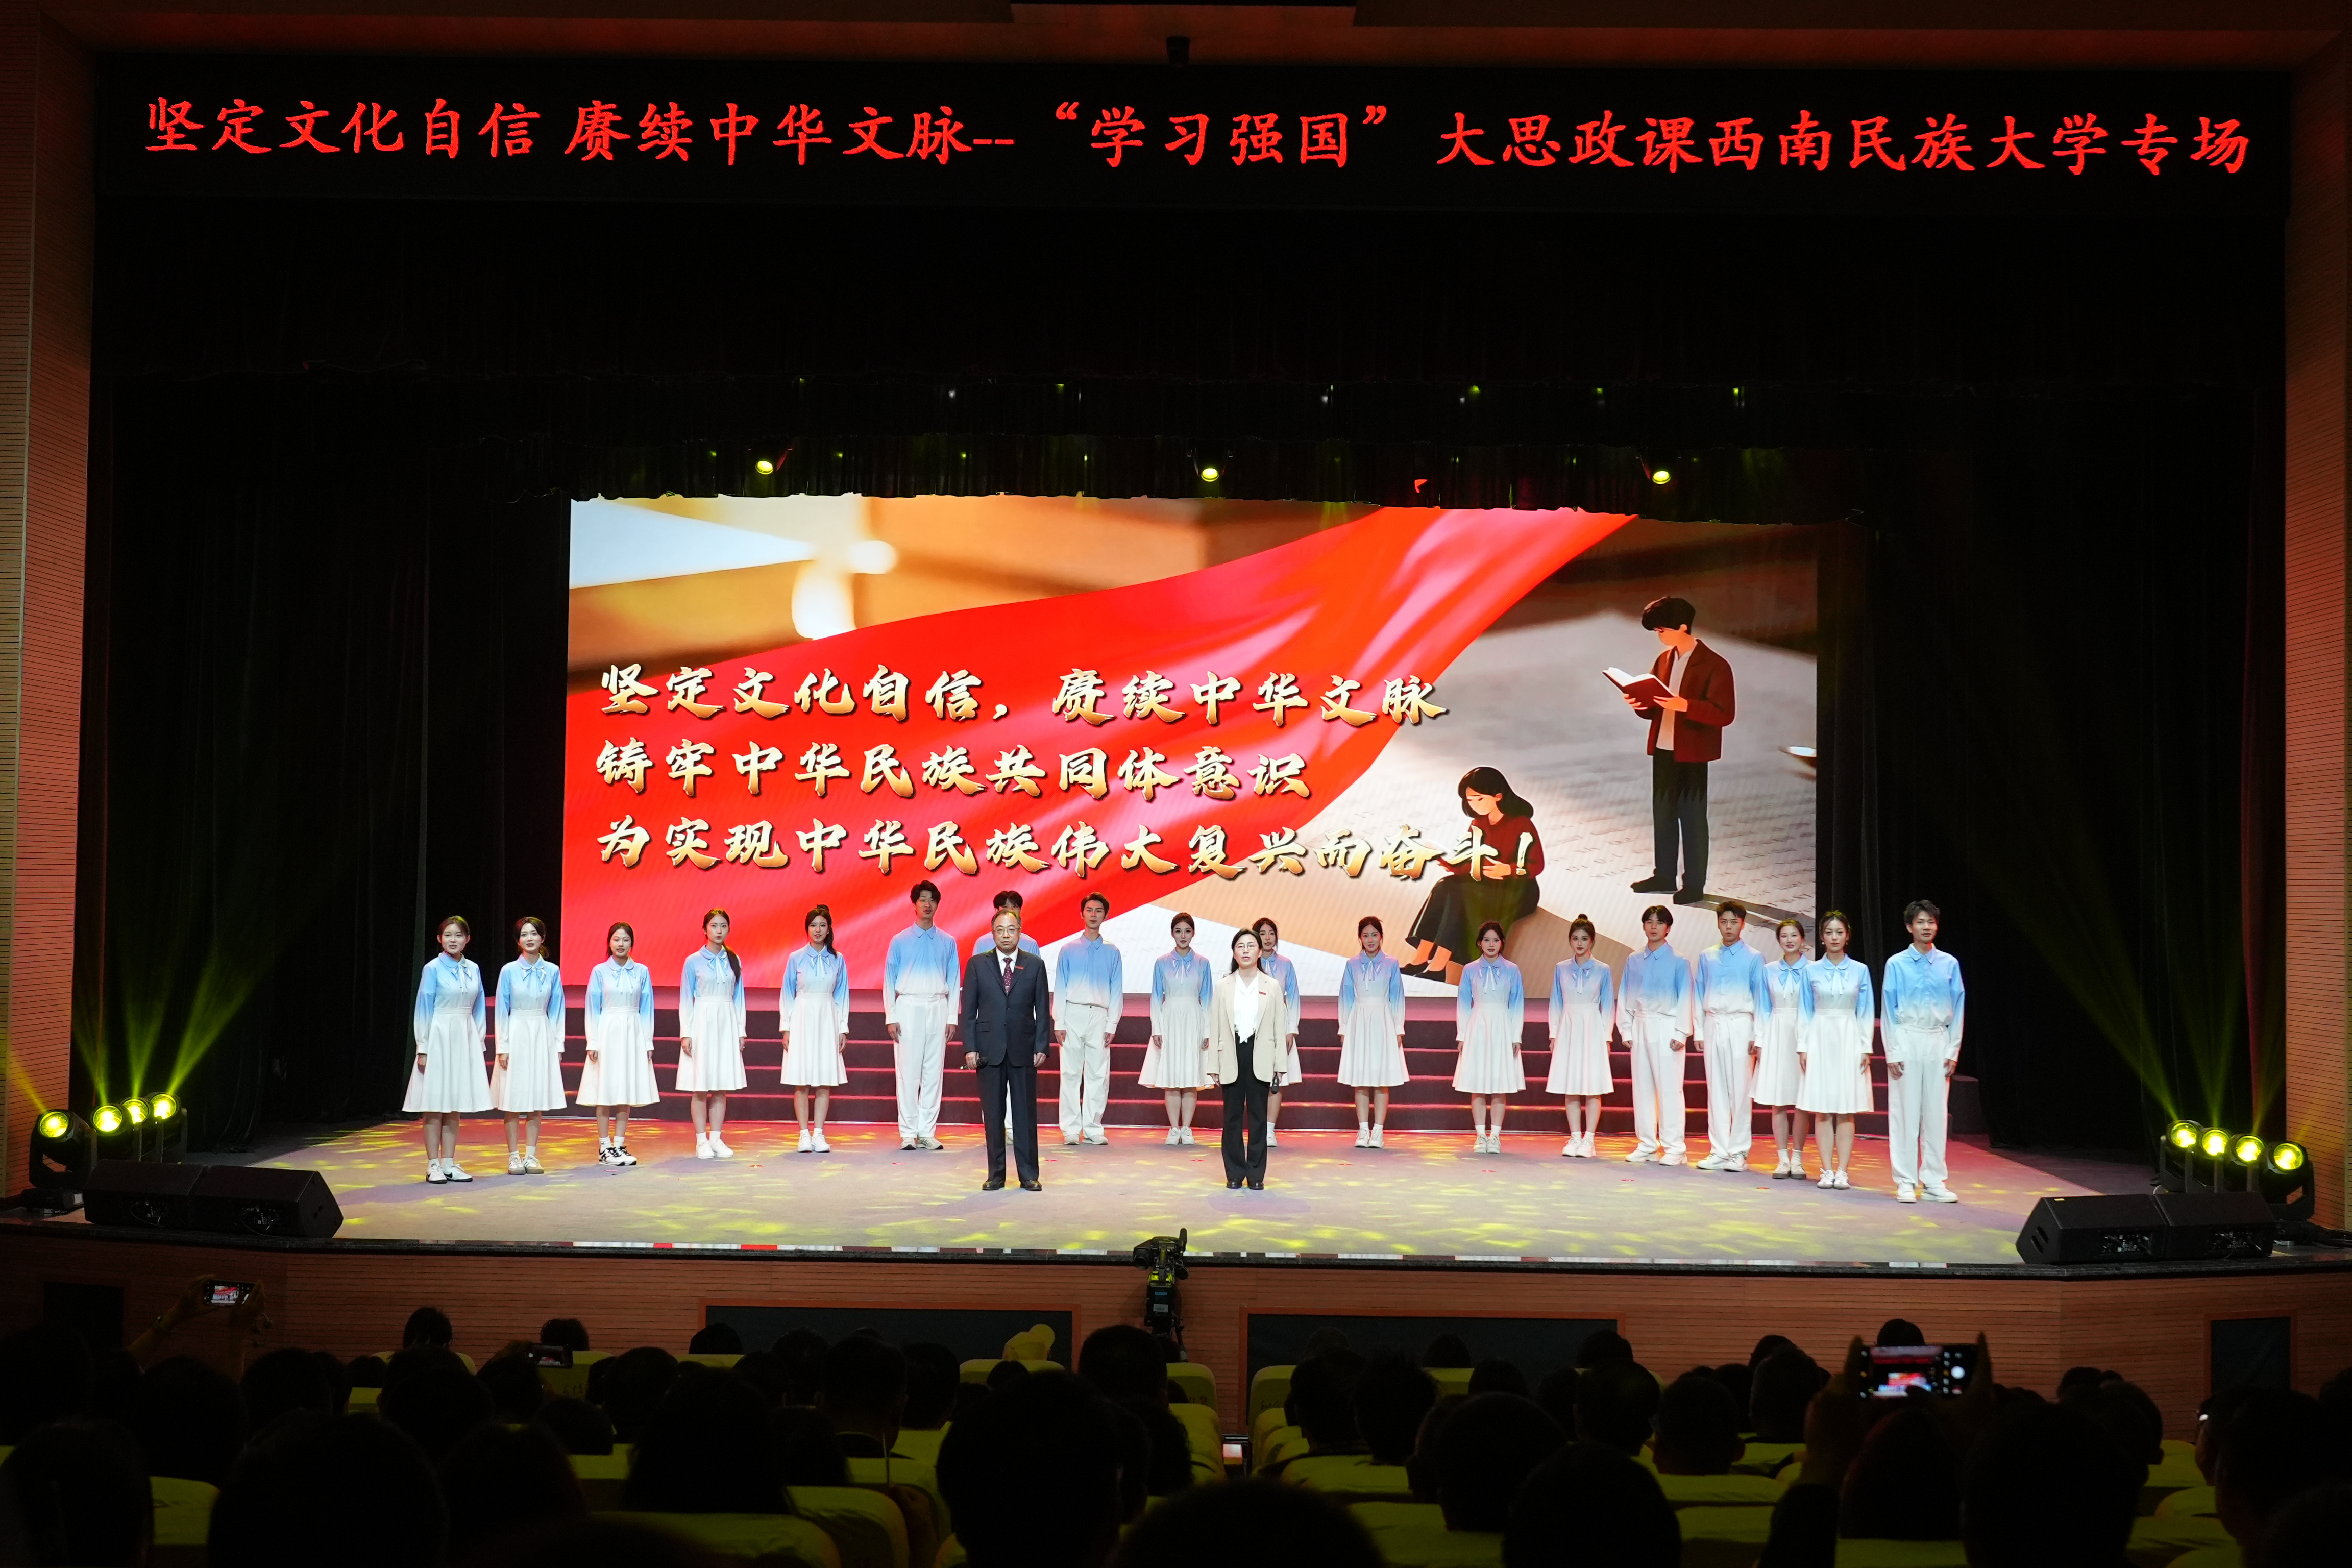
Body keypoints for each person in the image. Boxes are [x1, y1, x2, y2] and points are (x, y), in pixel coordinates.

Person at [1622, 593, 1736, 904]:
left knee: (1693, 817)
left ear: (1683, 627)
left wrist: (1685, 705)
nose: (1660, 636)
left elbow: (1724, 713)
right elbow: (1655, 707)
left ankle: (1694, 883)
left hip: (1692, 754)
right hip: (1663, 749)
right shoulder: (1664, 660)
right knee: (1663, 814)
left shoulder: (1714, 664)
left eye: (1662, 630)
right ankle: (1664, 875)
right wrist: (1639, 703)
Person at [1403, 766, 1547, 983]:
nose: (1474, 805)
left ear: (1498, 796)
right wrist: (1452, 863)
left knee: (1461, 892)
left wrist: (1508, 869)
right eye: (1470, 800)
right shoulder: (1478, 823)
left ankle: (1439, 965)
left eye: (1479, 799)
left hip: (1517, 889)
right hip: (1485, 882)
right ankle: (1422, 958)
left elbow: (1537, 865)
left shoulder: (1521, 824)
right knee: (1445, 885)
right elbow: (1472, 859)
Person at [960, 905, 1053, 1191]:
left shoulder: (1035, 965)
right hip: (989, 1050)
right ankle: (996, 1174)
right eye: (1000, 930)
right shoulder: (977, 964)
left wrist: (1042, 1045)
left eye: (1011, 930)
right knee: (993, 1115)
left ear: (1020, 933)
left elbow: (1042, 1009)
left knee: (1025, 1114)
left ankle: (1029, 1175)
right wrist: (970, 1047)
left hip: (1024, 1048)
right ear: (992, 934)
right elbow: (969, 1011)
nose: (1005, 935)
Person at [1881, 899, 1966, 1204]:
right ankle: (1905, 1180)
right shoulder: (1896, 964)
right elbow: (1888, 1009)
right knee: (1904, 1113)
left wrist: (1953, 1050)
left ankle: (1934, 1181)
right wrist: (1893, 1051)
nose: (1926, 927)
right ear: (1910, 927)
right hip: (1907, 1037)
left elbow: (1959, 1007)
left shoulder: (1949, 963)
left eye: (1931, 922)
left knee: (1936, 1113)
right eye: (1920, 922)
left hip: (1937, 1039)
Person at [407, 916, 491, 1183]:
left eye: (458, 935)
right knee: (435, 1104)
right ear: (439, 939)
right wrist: (423, 1047)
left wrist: (478, 1041)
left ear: (467, 939)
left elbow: (479, 1008)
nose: (453, 940)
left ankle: (449, 1162)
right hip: (439, 1036)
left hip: (464, 1038)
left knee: (455, 1103)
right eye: (448, 935)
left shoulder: (473, 968)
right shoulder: (432, 968)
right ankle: (433, 1164)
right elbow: (424, 1008)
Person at [1798, 910, 1873, 1190]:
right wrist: (1803, 1046)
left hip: (1849, 1037)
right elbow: (1804, 1011)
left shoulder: (1860, 970)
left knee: (1846, 1109)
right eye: (1829, 933)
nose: (1834, 937)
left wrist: (1866, 1046)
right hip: (1819, 1037)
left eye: (1839, 932)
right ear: (1821, 937)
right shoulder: (1811, 971)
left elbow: (1866, 1011)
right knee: (1823, 1110)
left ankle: (1843, 1171)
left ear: (1847, 936)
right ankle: (1826, 1170)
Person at [1693, 902, 1771, 1173]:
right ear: (1718, 923)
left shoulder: (1754, 957)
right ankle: (1718, 1149)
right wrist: (1699, 1030)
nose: (1728, 927)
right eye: (1724, 922)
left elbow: (1761, 997)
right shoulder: (1707, 956)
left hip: (1741, 1023)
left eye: (1734, 922)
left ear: (1743, 924)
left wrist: (1757, 1034)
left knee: (1740, 1090)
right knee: (1716, 1089)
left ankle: (1738, 1151)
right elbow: (1698, 993)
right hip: (1713, 1022)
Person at [884, 879, 961, 1152]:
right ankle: (908, 1133)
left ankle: (927, 1131)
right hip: (908, 1007)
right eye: (922, 900)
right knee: (908, 1072)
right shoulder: (900, 940)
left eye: (932, 900)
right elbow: (889, 979)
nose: (928, 905)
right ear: (914, 905)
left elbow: (954, 979)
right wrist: (891, 1016)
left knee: (933, 1072)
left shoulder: (948, 941)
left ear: (938, 905)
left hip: (938, 1007)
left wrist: (952, 1017)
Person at [1207, 929, 1287, 1190]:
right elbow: (1216, 1026)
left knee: (1258, 1117)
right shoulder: (1223, 986)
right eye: (1240, 946)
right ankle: (1234, 1172)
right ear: (1234, 953)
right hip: (1231, 1053)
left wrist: (1280, 1065)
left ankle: (1256, 1174)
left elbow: (1279, 1028)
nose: (1245, 950)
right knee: (1231, 1117)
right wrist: (1213, 1064)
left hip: (1260, 1053)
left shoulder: (1271, 986)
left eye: (1251, 945)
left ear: (1260, 952)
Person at [1617, 905, 1693, 1165]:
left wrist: (1681, 1032)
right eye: (1649, 922)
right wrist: (1626, 1027)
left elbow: (1686, 996)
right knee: (1643, 1088)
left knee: (1670, 1089)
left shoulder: (1679, 961)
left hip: (1667, 1025)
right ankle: (1648, 1144)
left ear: (1668, 928)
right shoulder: (1634, 959)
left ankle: (1675, 1148)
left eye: (1660, 923)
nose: (1654, 927)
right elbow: (1625, 993)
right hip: (1641, 1023)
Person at [493, 915, 566, 1176]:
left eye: (534, 933)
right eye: (524, 934)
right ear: (518, 941)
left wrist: (557, 1045)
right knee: (513, 1100)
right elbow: (501, 1010)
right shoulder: (509, 971)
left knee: (536, 1100)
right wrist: (502, 1046)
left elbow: (557, 1010)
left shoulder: (553, 971)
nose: (529, 938)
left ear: (542, 938)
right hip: (516, 1032)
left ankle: (531, 1156)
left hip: (541, 1033)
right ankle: (514, 1157)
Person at [580, 921, 657, 1167]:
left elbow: (647, 1009)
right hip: (608, 1031)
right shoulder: (600, 971)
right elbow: (593, 1008)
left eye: (625, 940)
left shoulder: (642, 971)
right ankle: (604, 1146)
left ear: (632, 943)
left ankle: (620, 1144)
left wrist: (647, 1041)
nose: (621, 944)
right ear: (609, 943)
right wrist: (593, 1041)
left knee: (626, 1089)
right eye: (616, 939)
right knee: (605, 1090)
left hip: (633, 1032)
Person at [1055, 891, 1125, 1147]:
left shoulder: (1112, 952)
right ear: (1082, 914)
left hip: (1100, 1015)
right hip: (1072, 1012)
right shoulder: (1068, 950)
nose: (1094, 915)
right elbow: (1060, 987)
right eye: (1089, 910)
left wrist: (1112, 1023)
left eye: (1099, 911)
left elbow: (1116, 990)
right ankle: (1071, 1128)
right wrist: (1059, 1021)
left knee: (1098, 1073)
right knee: (1070, 1073)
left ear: (1105, 916)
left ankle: (1094, 1127)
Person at [677, 908, 747, 1160]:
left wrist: (740, 1030)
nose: (719, 931)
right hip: (702, 1022)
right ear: (705, 930)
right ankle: (701, 1141)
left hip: (726, 1022)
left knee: (721, 1085)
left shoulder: (734, 960)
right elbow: (686, 998)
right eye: (714, 926)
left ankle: (716, 1138)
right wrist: (686, 1032)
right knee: (700, 1085)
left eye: (723, 926)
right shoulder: (693, 961)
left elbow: (739, 998)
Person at [780, 904, 850, 1154]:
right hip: (802, 1017)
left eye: (822, 925)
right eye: (813, 925)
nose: (818, 930)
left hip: (827, 1017)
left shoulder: (838, 959)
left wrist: (842, 1028)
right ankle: (803, 1134)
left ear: (829, 929)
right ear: (807, 929)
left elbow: (842, 995)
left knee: (824, 1080)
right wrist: (786, 1028)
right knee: (802, 1081)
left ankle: (819, 1133)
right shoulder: (796, 958)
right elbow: (787, 994)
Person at [1142, 912, 1214, 1147]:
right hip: (1170, 1018)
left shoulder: (1203, 963)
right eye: (1178, 931)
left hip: (1194, 1018)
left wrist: (1207, 1030)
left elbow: (1208, 998)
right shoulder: (1162, 962)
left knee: (1191, 1077)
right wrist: (1156, 1028)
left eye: (1187, 931)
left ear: (1193, 934)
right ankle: (1174, 1128)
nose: (1183, 936)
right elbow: (1156, 997)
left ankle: (1187, 1128)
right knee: (1172, 1077)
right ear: (1172, 933)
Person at [1453, 921, 1526, 1153]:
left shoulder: (1512, 970)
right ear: (1480, 943)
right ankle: (1480, 1136)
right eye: (1487, 940)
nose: (1491, 944)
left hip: (1502, 1026)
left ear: (1502, 943)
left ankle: (1495, 1136)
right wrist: (1463, 1035)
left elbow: (1517, 1004)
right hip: (1477, 1026)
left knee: (1499, 1084)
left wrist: (1516, 1036)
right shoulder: (1470, 969)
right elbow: (1463, 1003)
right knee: (1478, 1085)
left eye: (1496, 940)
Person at [1545, 915, 1614, 1158]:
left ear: (1592, 941)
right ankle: (1575, 1136)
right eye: (1575, 939)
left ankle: (1589, 1139)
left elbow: (1608, 1005)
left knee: (1592, 1086)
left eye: (1584, 939)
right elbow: (1556, 1002)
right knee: (1571, 1084)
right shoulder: (1561, 968)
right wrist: (1554, 1034)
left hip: (1592, 1027)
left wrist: (1607, 1037)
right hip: (1569, 1027)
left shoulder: (1603, 969)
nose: (1580, 943)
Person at [1337, 916, 1409, 1148]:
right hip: (1359, 1021)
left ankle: (1378, 1131)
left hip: (1383, 1021)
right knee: (1360, 1080)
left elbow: (1397, 997)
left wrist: (1398, 1028)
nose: (1370, 940)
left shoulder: (1391, 963)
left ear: (1381, 937)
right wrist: (1344, 1028)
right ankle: (1363, 1130)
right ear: (1360, 938)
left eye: (1374, 935)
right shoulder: (1352, 964)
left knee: (1381, 1080)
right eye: (1366, 935)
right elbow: (1346, 997)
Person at [1757, 917, 1814, 1179]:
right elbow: (1762, 1007)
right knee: (1778, 1100)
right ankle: (1782, 1159)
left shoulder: (1813, 969)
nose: (1789, 940)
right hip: (1777, 1033)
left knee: (1802, 1101)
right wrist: (1760, 1041)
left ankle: (1798, 1159)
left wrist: (1810, 1042)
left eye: (1794, 936)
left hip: (1803, 1034)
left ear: (1802, 939)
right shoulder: (1768, 970)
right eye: (1784, 936)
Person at [1250, 918, 1303, 1147]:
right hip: (1254, 1025)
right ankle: (1257, 1128)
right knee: (1254, 1079)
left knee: (1276, 1078)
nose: (1268, 938)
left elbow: (1293, 998)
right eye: (1263, 934)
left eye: (1271, 933)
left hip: (1279, 1024)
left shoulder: (1285, 964)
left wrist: (1291, 1029)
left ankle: (1270, 1130)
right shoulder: (1248, 962)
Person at [969, 888, 1042, 957]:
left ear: (1020, 910)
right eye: (1006, 907)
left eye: (1015, 907)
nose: (1011, 910)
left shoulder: (1030, 943)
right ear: (997, 910)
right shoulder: (983, 942)